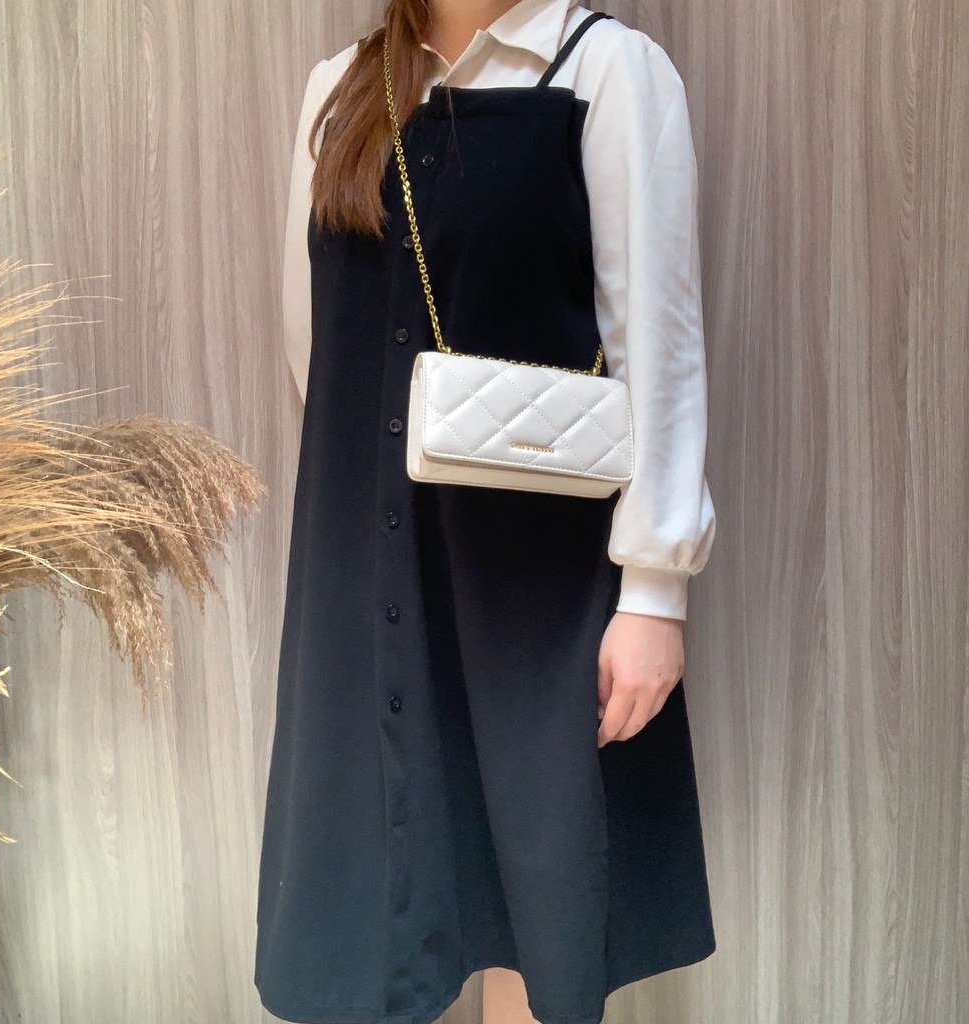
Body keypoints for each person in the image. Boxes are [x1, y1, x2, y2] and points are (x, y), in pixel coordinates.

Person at [254, 1, 718, 1022]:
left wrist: (654, 591)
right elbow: (313, 345)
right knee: (383, 890)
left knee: (536, 907)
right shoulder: (340, 90)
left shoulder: (607, 71)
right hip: (368, 568)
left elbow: (656, 342)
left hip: (537, 591)